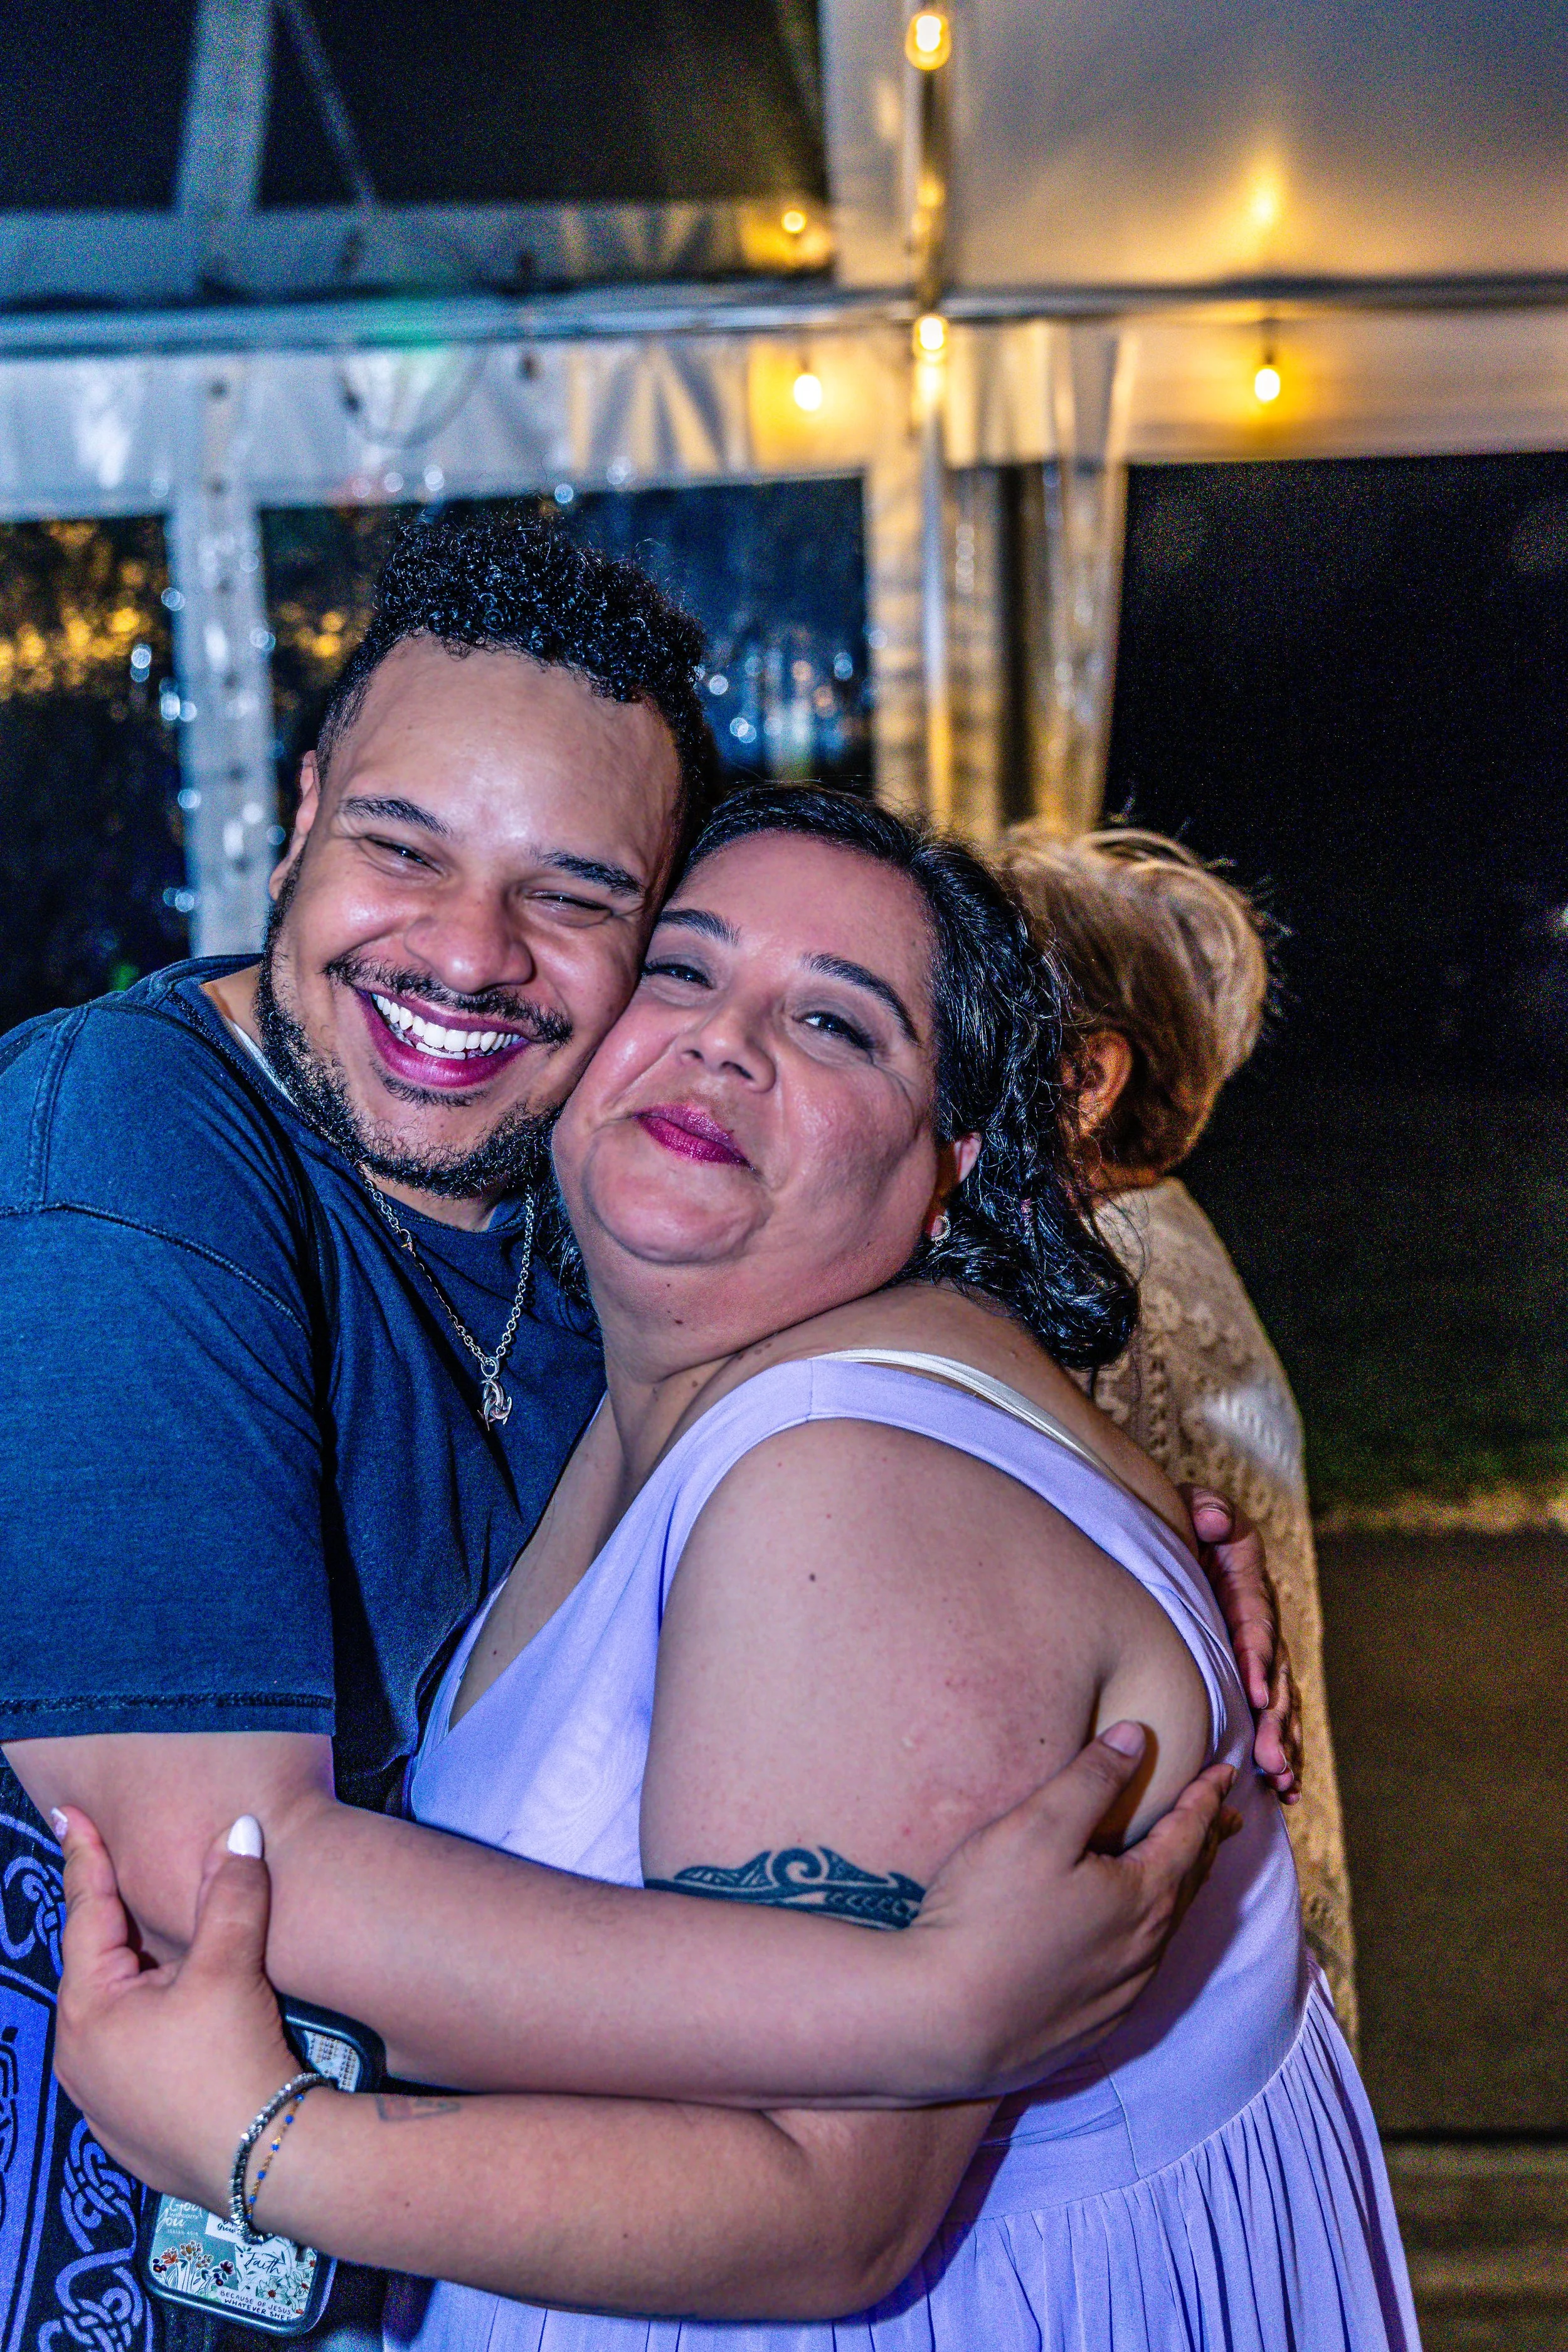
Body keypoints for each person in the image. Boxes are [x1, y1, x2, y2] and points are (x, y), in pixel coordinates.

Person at [0, 519, 1292, 2352]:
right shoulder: (122, 1150)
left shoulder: (583, 1187)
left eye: (577, 898)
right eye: (399, 846)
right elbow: (229, 1870)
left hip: (416, 2239)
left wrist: (1138, 1543)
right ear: (297, 820)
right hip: (101, 2241)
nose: (468, 953)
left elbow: (886, 1406)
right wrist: (922, 2006)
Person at [994, 824, 1358, 2037]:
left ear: (1084, 1079)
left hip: (1163, 1973)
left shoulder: (1101, 1283)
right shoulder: (1149, 1233)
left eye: (964, 1012)